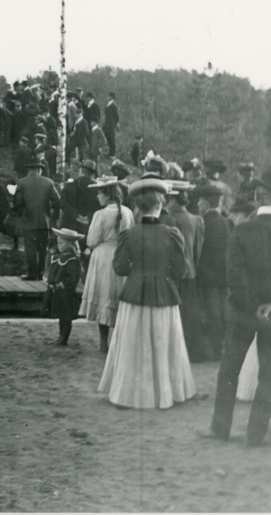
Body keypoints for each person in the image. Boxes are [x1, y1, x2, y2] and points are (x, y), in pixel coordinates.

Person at [204, 165, 271, 446]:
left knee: (229, 370)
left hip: (242, 314)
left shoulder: (242, 230)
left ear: (260, 194)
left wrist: (254, 305)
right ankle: (255, 435)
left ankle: (220, 428)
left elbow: (235, 277)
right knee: (268, 375)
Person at [98, 174, 196, 409]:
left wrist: (138, 271)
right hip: (164, 294)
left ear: (138, 207)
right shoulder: (172, 234)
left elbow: (119, 267)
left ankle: (127, 394)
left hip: (134, 293)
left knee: (132, 344)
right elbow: (181, 270)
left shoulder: (128, 234)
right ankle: (166, 393)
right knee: (164, 343)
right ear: (160, 204)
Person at [79, 175, 135, 353]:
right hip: (122, 255)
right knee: (118, 296)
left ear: (107, 194)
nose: (97, 197)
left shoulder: (100, 214)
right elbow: (131, 236)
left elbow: (91, 240)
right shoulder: (128, 212)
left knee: (104, 295)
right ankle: (119, 341)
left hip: (103, 256)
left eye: (99, 193)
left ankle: (103, 343)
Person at [161, 188, 207, 362]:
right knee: (189, 316)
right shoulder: (195, 219)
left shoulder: (167, 220)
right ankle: (191, 353)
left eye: (167, 199)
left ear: (173, 200)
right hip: (190, 274)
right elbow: (198, 251)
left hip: (172, 275)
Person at [197, 185, 230, 361]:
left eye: (200, 201)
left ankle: (216, 350)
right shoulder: (226, 222)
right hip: (223, 276)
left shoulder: (202, 223)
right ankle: (223, 348)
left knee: (211, 314)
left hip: (207, 276)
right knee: (222, 313)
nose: (198, 204)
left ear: (206, 203)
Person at [13, 155, 59, 280]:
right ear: (40, 169)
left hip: (28, 222)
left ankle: (32, 274)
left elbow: (17, 202)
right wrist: (53, 216)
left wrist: (21, 215)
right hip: (44, 222)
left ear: (29, 169)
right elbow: (57, 201)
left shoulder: (22, 182)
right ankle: (41, 273)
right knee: (43, 249)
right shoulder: (48, 182)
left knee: (30, 249)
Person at [46, 228, 84, 346]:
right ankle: (61, 336)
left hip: (66, 293)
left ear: (69, 243)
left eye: (61, 243)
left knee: (67, 316)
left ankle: (64, 338)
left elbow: (73, 278)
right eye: (58, 242)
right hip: (58, 292)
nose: (58, 245)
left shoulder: (72, 260)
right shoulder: (58, 257)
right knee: (61, 315)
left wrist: (62, 284)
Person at [103, 92, 120, 157]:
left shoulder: (113, 106)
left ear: (111, 97)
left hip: (111, 125)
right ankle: (110, 153)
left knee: (112, 138)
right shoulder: (107, 105)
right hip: (107, 124)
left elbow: (116, 116)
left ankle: (113, 154)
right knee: (108, 138)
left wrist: (116, 123)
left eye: (109, 96)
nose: (107, 97)